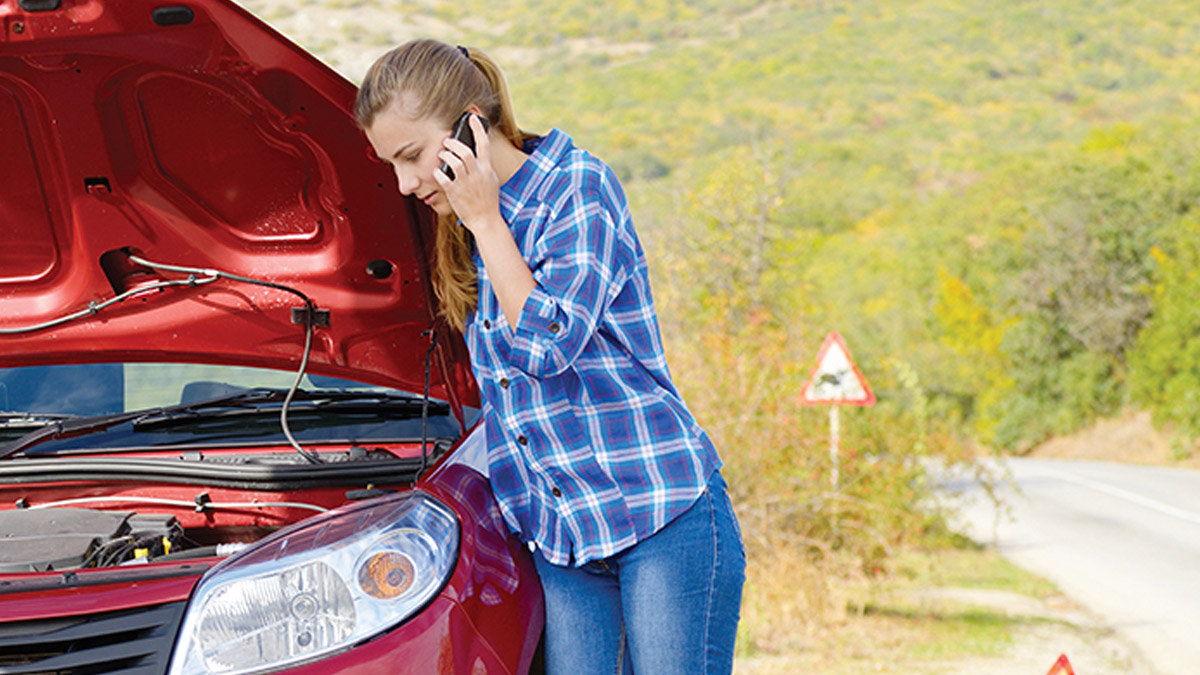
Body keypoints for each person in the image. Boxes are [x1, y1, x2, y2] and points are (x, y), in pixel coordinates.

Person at [355, 39, 745, 674]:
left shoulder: (576, 190)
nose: (403, 183)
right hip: (566, 541)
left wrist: (487, 223)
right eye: (390, 164)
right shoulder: (464, 225)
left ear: (469, 127)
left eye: (412, 156)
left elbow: (546, 346)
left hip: (660, 517)